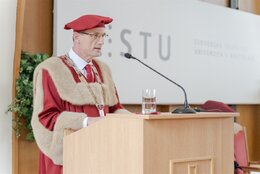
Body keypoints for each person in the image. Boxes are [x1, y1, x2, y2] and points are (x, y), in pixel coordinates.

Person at [31, 14, 130, 174]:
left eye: (103, 35)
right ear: (76, 37)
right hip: (67, 157)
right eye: (95, 35)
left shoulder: (103, 69)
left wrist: (135, 120)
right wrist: (87, 121)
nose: (101, 41)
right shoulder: (51, 69)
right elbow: (45, 117)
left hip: (101, 151)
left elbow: (114, 108)